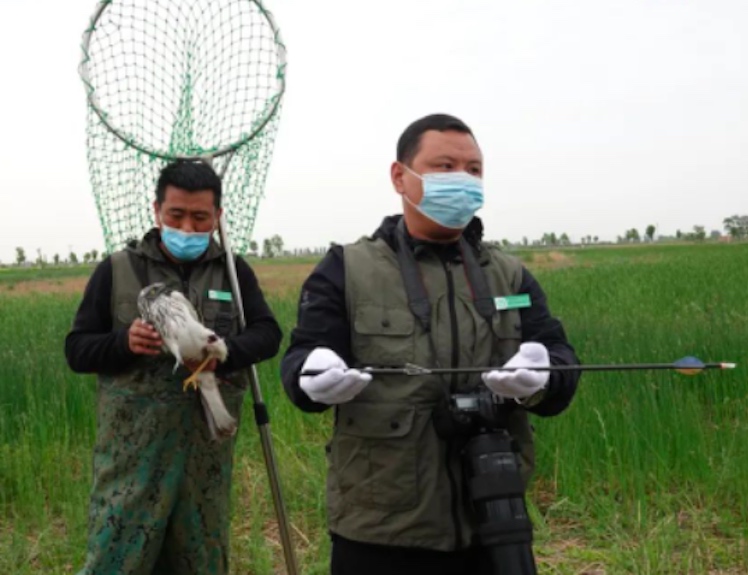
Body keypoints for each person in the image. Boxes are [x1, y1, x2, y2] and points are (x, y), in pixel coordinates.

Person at [280, 113, 581, 575]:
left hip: (494, 516)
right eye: (444, 167)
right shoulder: (346, 268)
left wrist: (544, 376)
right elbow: (300, 364)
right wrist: (311, 375)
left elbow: (562, 364)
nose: (462, 179)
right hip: (380, 523)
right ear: (401, 176)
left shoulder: (511, 274)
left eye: (474, 170)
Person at [65, 160, 283, 574]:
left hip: (206, 455)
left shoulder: (234, 272)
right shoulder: (118, 269)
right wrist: (123, 343)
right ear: (156, 211)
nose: (187, 227)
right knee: (119, 558)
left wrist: (224, 352)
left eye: (200, 218)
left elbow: (268, 333)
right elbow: (77, 349)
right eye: (176, 215)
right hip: (133, 460)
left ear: (218, 217)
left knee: (200, 561)